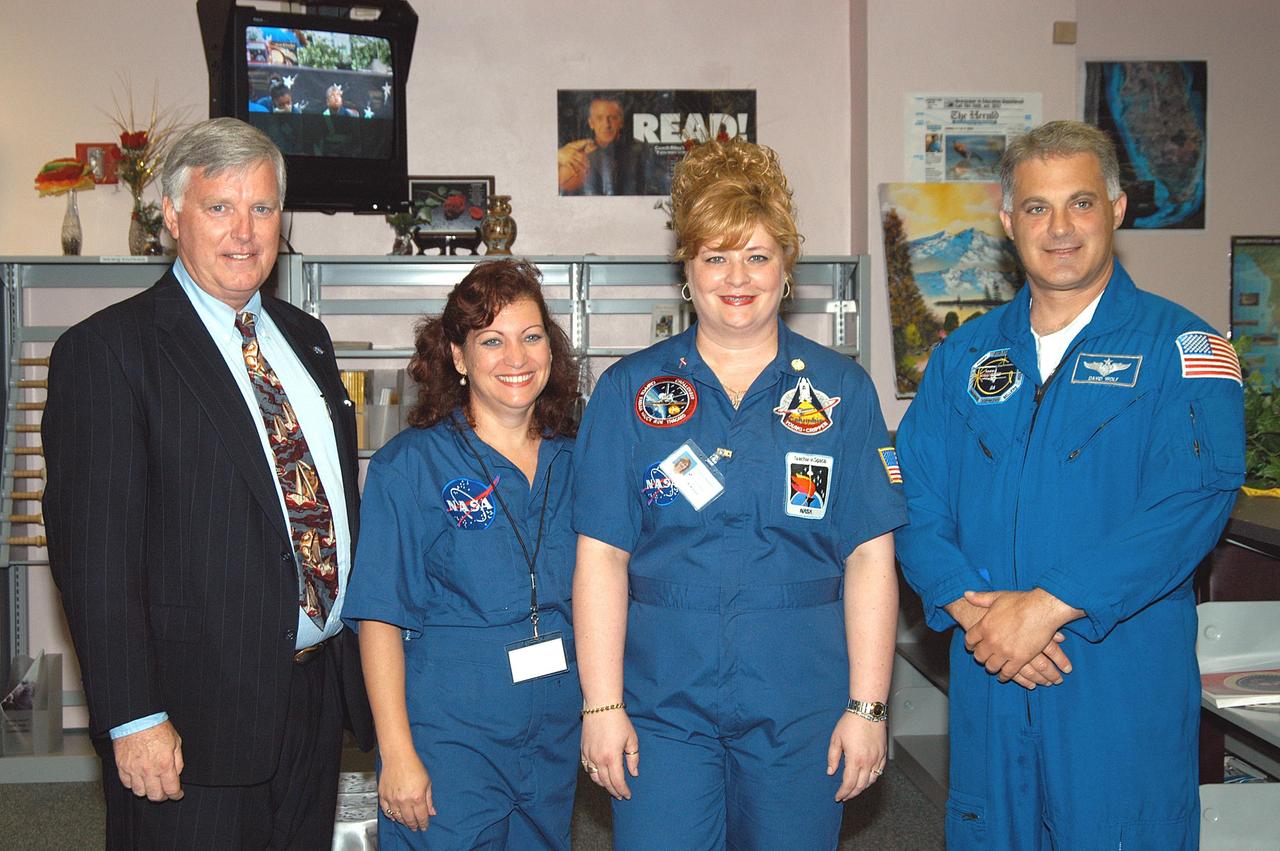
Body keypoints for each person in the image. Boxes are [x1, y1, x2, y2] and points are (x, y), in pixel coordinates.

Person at [895, 120, 1244, 849]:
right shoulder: (962, 357)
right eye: (1036, 207)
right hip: (990, 668)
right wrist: (975, 609)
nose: (1059, 228)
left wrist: (1049, 607)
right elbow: (913, 494)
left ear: (1117, 209)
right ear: (1005, 219)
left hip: (1114, 677)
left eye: (1080, 204)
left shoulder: (1183, 348)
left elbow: (1191, 502)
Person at [42, 117, 373, 849]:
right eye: (219, 207)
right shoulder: (107, 352)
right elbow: (96, 560)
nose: (244, 231)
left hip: (314, 698)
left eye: (261, 208)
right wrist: (132, 715)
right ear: (171, 214)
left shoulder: (306, 339)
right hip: (189, 718)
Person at [571, 139, 906, 848]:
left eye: (757, 255)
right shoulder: (629, 391)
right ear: (686, 272)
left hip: (800, 700)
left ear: (787, 270)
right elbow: (601, 557)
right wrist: (600, 703)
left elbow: (872, 558)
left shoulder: (841, 392)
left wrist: (870, 706)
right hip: (662, 701)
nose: (737, 277)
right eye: (715, 256)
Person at [343, 259, 584, 849]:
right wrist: (396, 752)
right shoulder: (410, 466)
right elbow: (378, 616)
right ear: (457, 356)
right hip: (451, 735)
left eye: (531, 337)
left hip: (554, 733)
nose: (516, 358)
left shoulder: (579, 458)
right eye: (492, 341)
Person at [557, 93, 660, 196]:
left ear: (621, 122)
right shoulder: (573, 154)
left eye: (613, 117)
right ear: (591, 123)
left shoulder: (638, 155)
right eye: (599, 118)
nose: (606, 124)